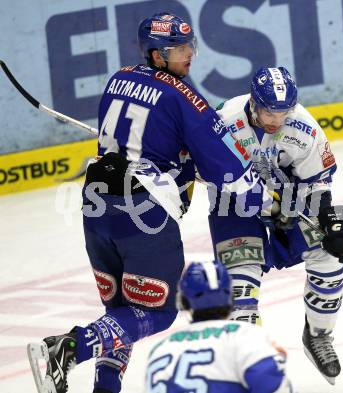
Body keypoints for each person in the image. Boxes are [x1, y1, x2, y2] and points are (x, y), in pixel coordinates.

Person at [27, 13, 270, 393]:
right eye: (179, 49)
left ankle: (104, 387)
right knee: (158, 312)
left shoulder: (118, 78)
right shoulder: (185, 96)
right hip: (143, 213)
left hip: (97, 203)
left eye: (190, 46)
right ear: (156, 54)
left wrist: (182, 160)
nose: (189, 54)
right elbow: (230, 173)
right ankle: (69, 347)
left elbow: (133, 139)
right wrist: (262, 198)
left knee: (122, 312)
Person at [208, 67, 343, 385]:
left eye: (283, 112)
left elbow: (317, 183)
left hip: (290, 204)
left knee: (332, 257)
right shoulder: (225, 119)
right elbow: (200, 164)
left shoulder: (303, 126)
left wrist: (330, 217)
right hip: (235, 209)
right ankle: (253, 363)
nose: (275, 120)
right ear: (252, 102)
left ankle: (318, 334)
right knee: (240, 294)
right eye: (268, 111)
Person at [145, 260, 293, 392]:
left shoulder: (160, 349)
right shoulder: (247, 337)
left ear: (183, 301)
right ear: (231, 298)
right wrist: (274, 362)